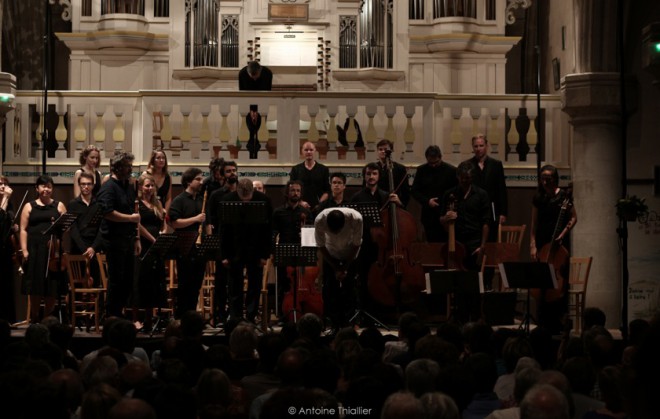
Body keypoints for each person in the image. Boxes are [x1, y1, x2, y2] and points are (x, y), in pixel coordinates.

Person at [440, 161, 490, 323]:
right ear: (457, 177)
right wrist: (446, 218)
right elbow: (441, 220)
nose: (465, 181)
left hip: (474, 244)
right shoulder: (449, 194)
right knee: (458, 286)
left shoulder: (481, 195)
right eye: (462, 178)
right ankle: (459, 320)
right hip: (456, 244)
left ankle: (475, 321)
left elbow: (486, 223)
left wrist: (482, 247)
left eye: (468, 178)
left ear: (472, 178)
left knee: (473, 286)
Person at [529, 165, 577, 333]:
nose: (545, 182)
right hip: (543, 244)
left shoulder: (563, 197)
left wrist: (563, 234)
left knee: (559, 282)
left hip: (559, 244)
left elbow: (573, 218)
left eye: (548, 179)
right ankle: (542, 322)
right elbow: (534, 224)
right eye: (542, 179)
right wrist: (533, 245)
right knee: (542, 282)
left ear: (555, 179)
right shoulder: (538, 198)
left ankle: (558, 323)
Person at [219, 178, 272, 323]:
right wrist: (223, 255)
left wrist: (264, 255)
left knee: (254, 285)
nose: (245, 202)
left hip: (256, 250)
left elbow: (268, 231)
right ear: (237, 191)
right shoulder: (227, 200)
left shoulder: (264, 200)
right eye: (242, 199)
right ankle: (236, 317)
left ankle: (250, 317)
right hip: (234, 250)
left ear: (252, 192)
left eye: (248, 199)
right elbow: (223, 231)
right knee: (234, 286)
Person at [97, 151, 141, 318]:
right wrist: (130, 219)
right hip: (114, 241)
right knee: (116, 281)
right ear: (118, 167)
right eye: (127, 166)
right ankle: (111, 316)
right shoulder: (108, 188)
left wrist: (136, 238)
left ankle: (120, 315)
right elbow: (107, 213)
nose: (130, 169)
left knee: (127, 282)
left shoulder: (128, 187)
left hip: (128, 240)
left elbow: (132, 211)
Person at [19, 175, 67, 323]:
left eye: (49, 186)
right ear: (37, 188)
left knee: (51, 286)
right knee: (35, 285)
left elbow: (65, 227)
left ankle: (47, 318)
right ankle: (34, 317)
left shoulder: (59, 205)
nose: (46, 189)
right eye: (43, 186)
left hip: (52, 251)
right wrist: (25, 250)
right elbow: (23, 229)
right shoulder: (29, 206)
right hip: (34, 249)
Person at [314, 208, 362, 328]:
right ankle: (333, 323)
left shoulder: (356, 219)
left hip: (350, 254)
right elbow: (321, 245)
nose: (335, 233)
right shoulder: (320, 220)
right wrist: (335, 267)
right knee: (330, 290)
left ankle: (349, 323)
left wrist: (345, 267)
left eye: (338, 231)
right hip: (331, 254)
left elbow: (356, 244)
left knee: (350, 289)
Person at [168, 167, 206, 318]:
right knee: (185, 285)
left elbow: (206, 223)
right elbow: (175, 223)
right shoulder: (179, 200)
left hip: (199, 248)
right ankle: (182, 317)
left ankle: (191, 316)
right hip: (185, 248)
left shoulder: (202, 199)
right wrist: (196, 219)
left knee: (196, 286)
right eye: (198, 179)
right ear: (189, 181)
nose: (201, 181)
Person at [271, 181, 312, 318]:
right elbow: (273, 233)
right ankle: (283, 314)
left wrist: (305, 234)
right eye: (293, 190)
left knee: (303, 284)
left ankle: (303, 311)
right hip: (284, 252)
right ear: (287, 193)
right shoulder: (278, 212)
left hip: (302, 253)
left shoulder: (306, 213)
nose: (296, 193)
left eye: (298, 191)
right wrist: (273, 250)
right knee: (283, 284)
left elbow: (311, 233)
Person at [206, 160, 239, 323]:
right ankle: (220, 313)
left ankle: (236, 314)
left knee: (236, 280)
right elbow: (210, 218)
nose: (232, 173)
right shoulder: (216, 194)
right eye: (228, 171)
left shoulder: (243, 192)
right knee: (221, 280)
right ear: (223, 175)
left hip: (239, 242)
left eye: (234, 170)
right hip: (222, 242)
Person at [133, 174, 167, 331]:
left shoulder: (157, 203)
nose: (150, 188)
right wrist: (153, 239)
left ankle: (148, 319)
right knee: (141, 281)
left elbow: (163, 223)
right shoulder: (137, 203)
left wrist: (162, 235)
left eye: (152, 185)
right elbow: (137, 225)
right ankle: (135, 318)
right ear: (140, 187)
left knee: (153, 282)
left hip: (156, 247)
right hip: (144, 245)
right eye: (147, 186)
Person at [465, 134, 507, 240]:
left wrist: (503, 212)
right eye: (476, 146)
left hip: (491, 208)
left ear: (486, 146)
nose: (478, 149)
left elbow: (501, 189)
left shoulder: (496, 164)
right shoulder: (467, 165)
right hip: (473, 209)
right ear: (472, 147)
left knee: (491, 239)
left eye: (481, 145)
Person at [411, 145, 458, 242]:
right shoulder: (421, 170)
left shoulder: (451, 171)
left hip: (447, 213)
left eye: (435, 162)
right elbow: (414, 191)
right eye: (430, 162)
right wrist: (427, 201)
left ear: (440, 157)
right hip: (429, 215)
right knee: (432, 245)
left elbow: (456, 191)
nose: (433, 165)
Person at [68, 172, 104, 287]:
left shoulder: (99, 204)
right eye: (83, 184)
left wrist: (93, 248)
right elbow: (73, 229)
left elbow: (102, 228)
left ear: (93, 186)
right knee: (77, 286)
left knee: (95, 285)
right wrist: (84, 249)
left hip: (95, 249)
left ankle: (95, 306)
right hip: (78, 249)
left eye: (89, 184)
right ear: (79, 185)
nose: (86, 187)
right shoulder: (73, 204)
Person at [289, 141, 330, 211]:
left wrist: (320, 204)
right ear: (302, 152)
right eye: (306, 150)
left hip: (319, 207)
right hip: (300, 206)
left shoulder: (323, 169)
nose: (308, 152)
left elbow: (327, 190)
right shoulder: (296, 169)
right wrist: (300, 202)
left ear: (315, 151)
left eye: (311, 150)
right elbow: (291, 189)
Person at [373, 139, 410, 208]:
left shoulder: (400, 168)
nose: (383, 151)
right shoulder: (373, 168)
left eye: (385, 149)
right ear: (377, 151)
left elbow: (406, 191)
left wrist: (400, 202)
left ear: (391, 151)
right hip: (378, 204)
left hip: (395, 205)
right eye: (380, 149)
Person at [0, 175, 17, 322]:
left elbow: (8, 223)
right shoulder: (4, 203)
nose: (2, 187)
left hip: (6, 251)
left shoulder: (9, 206)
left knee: (6, 288)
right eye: (0, 184)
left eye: (4, 184)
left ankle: (8, 320)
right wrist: (4, 199)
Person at [143, 150, 172, 215]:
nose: (161, 160)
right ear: (153, 160)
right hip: (148, 210)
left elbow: (168, 198)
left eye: (163, 158)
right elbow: (141, 195)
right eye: (158, 158)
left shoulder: (168, 177)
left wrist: (165, 212)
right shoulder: (146, 174)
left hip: (162, 210)